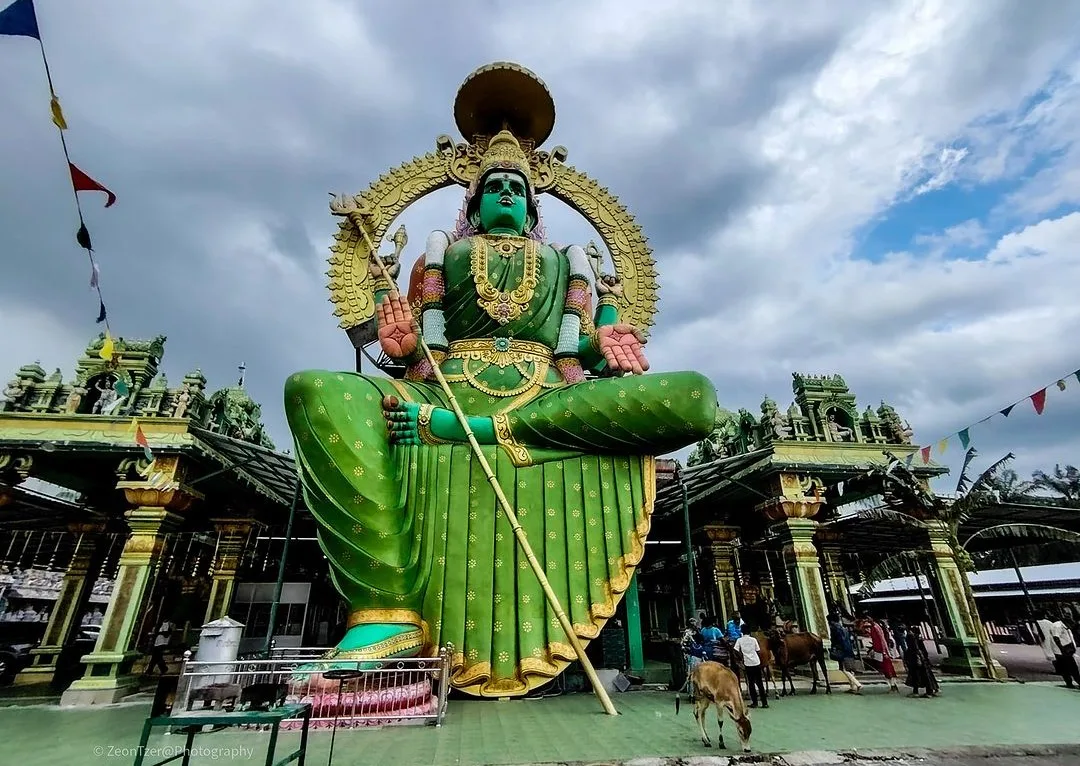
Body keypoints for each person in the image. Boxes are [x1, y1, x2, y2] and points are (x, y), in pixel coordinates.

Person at [284, 68, 719, 697]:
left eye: (518, 186)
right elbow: (413, 341)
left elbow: (583, 351)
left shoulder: (564, 261)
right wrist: (399, 348)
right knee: (315, 391)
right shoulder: (442, 255)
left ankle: (491, 432)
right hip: (442, 387)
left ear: (534, 202)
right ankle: (388, 614)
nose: (508, 193)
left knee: (695, 396)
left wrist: (606, 348)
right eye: (496, 186)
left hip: (550, 395)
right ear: (473, 200)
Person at [1036, 612, 1079, 689]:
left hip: (1065, 649)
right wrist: (1063, 649)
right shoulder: (1058, 626)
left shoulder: (1064, 626)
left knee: (1067, 667)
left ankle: (1071, 682)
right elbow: (1056, 638)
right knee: (1071, 667)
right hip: (1062, 651)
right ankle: (1072, 682)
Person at [861, 614, 900, 693]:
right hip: (879, 651)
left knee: (887, 668)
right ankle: (892, 685)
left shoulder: (876, 628)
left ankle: (893, 685)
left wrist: (884, 651)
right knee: (885, 668)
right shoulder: (874, 627)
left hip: (882, 651)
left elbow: (882, 640)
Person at [827, 613, 862, 694]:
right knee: (849, 668)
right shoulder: (844, 628)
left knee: (843, 668)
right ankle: (852, 686)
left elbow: (835, 640)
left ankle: (857, 684)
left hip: (841, 650)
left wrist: (833, 648)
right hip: (849, 649)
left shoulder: (834, 628)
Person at [734, 624, 768, 708]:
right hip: (756, 662)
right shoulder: (753, 640)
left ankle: (755, 702)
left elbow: (735, 650)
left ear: (742, 631)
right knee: (760, 683)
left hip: (748, 663)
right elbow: (758, 650)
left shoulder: (739, 640)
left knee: (751, 683)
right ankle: (764, 703)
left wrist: (741, 657)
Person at [903, 625, 939, 697]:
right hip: (921, 657)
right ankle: (930, 690)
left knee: (916, 674)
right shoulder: (917, 637)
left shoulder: (911, 637)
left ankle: (919, 691)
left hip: (915, 658)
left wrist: (917, 658)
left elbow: (914, 648)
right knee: (924, 674)